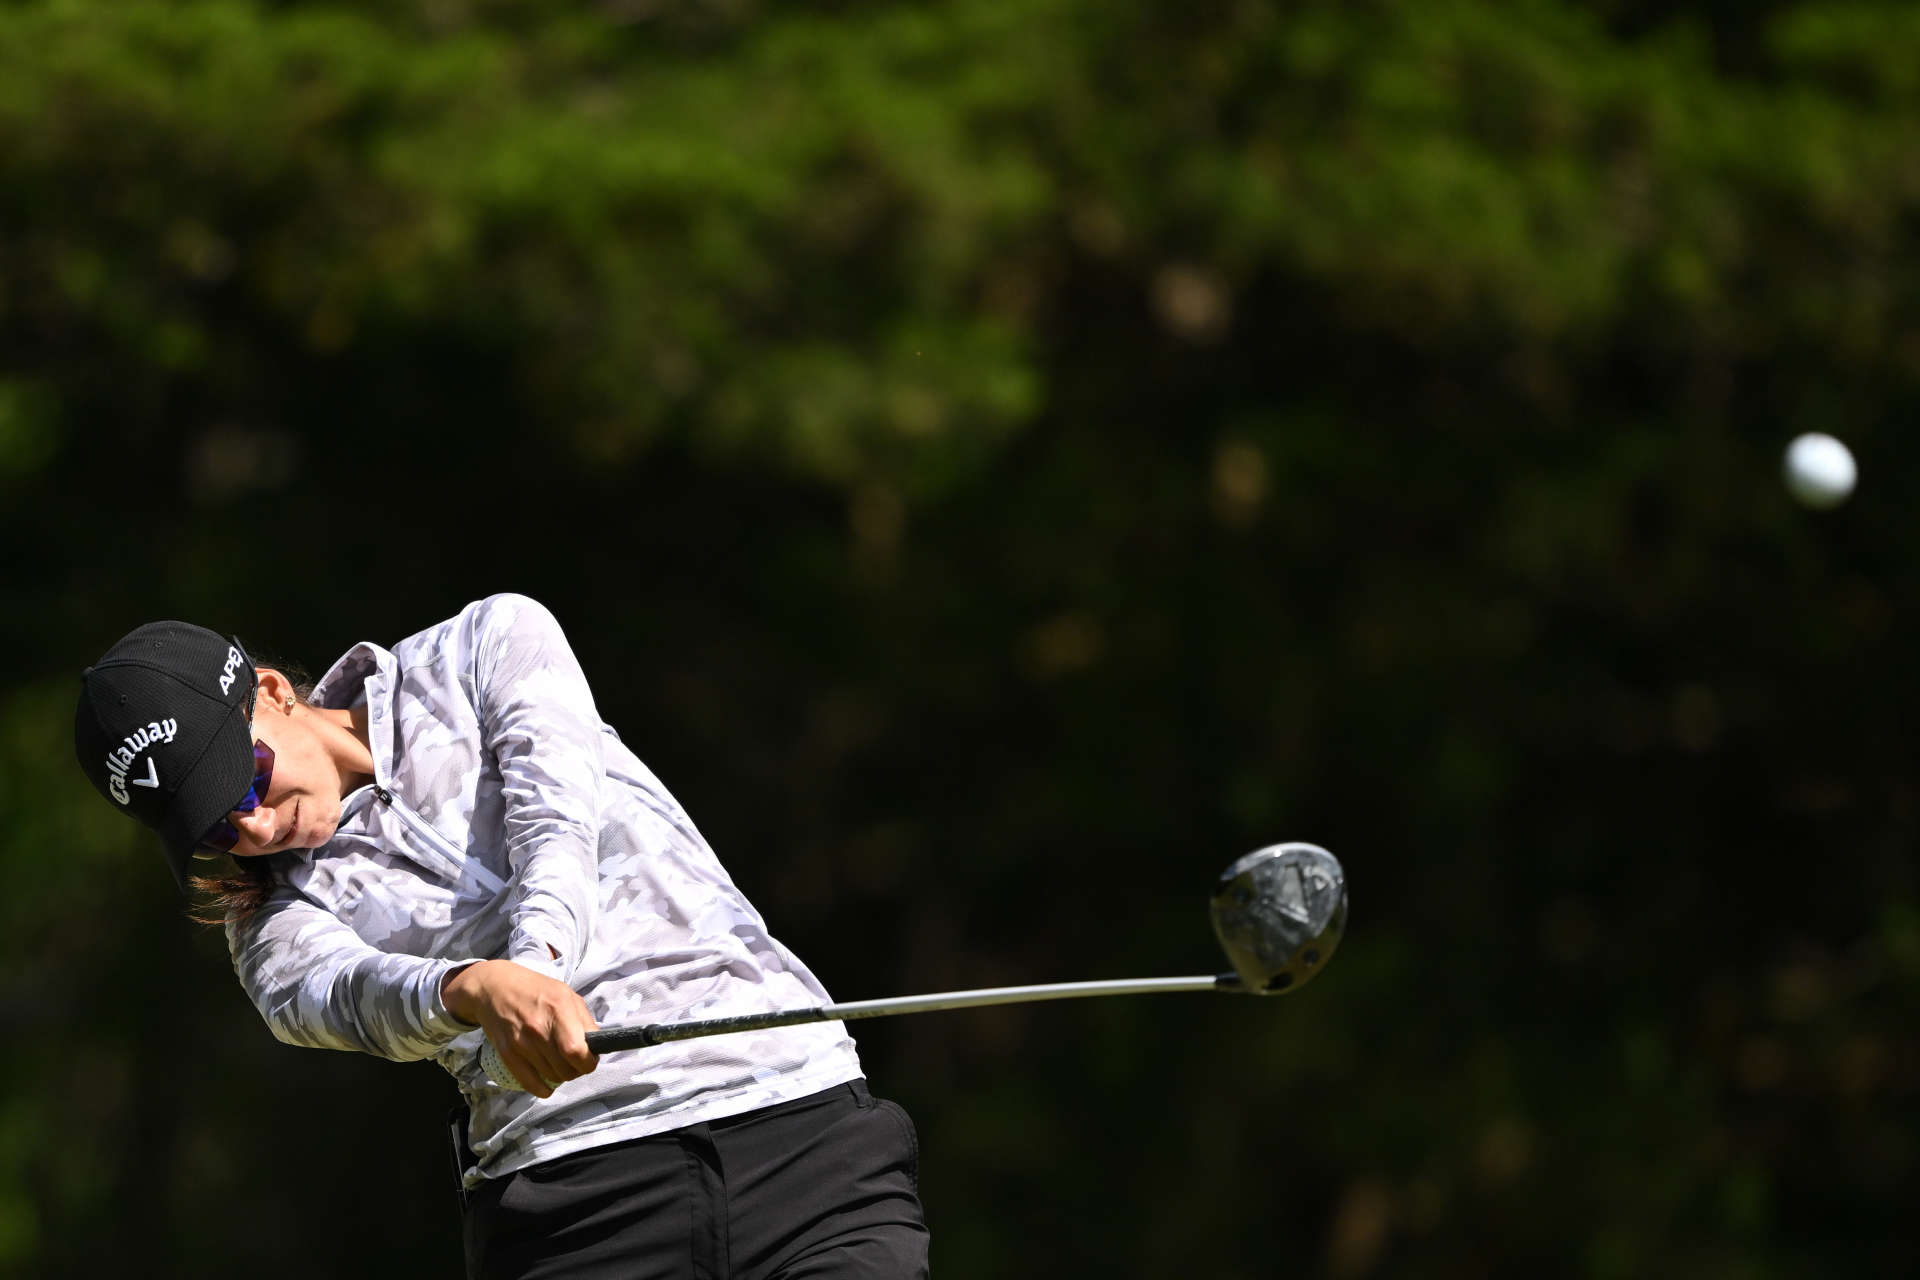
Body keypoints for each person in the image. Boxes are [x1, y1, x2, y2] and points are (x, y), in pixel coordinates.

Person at [73, 593, 930, 1279]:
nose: (254, 831)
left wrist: (534, 968)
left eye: (248, 779)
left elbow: (558, 824)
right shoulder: (269, 920)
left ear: (270, 691)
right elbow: (341, 998)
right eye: (217, 827)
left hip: (797, 1125)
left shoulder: (482, 645)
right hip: (579, 1207)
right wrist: (468, 989)